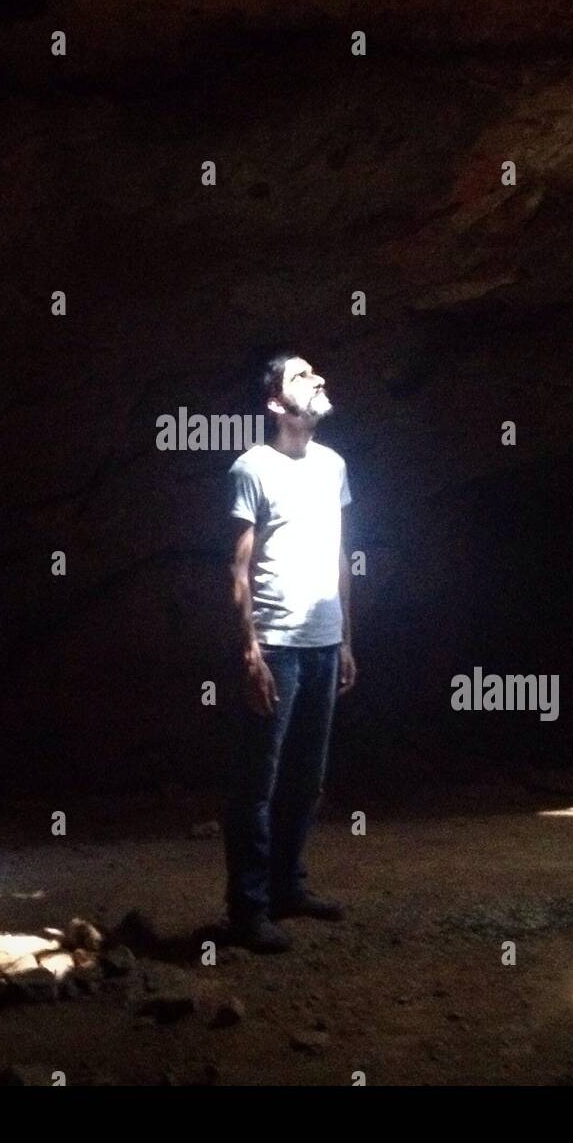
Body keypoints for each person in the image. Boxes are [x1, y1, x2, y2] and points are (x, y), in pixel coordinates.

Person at [221, 351, 356, 952]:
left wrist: (347, 636)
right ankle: (247, 910)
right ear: (276, 403)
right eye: (302, 376)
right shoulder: (251, 468)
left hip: (325, 642)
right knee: (257, 782)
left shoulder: (333, 465)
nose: (319, 378)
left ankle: (287, 887)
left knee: (307, 779)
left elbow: (340, 556)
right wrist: (248, 651)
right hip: (275, 646)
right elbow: (238, 568)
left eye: (316, 371)